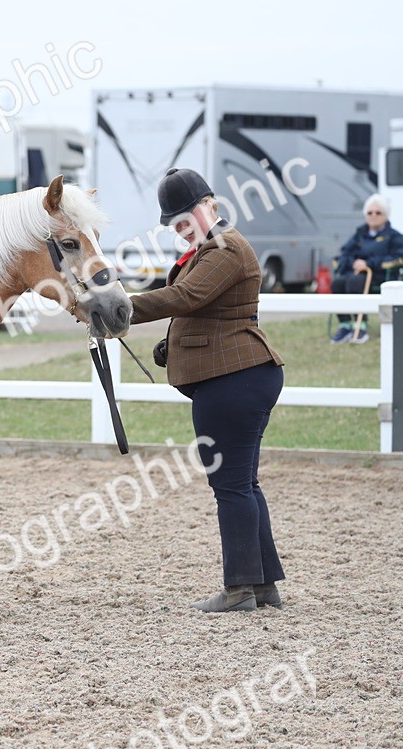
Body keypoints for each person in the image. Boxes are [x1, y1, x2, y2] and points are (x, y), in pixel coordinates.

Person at [129, 168, 287, 613]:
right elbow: (205, 311)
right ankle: (262, 585)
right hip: (239, 377)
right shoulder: (210, 248)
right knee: (243, 484)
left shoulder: (224, 248)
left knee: (231, 486)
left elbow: (185, 298)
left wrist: (118, 307)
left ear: (209, 205)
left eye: (185, 220)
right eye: (174, 225)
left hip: (235, 380)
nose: (181, 231)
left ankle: (238, 589)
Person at [329, 195, 403, 344]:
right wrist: (353, 263)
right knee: (338, 283)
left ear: (386, 215)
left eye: (378, 213)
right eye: (370, 213)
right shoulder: (360, 234)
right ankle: (345, 326)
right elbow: (345, 252)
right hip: (356, 273)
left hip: (379, 276)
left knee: (355, 282)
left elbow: (399, 257)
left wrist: (369, 263)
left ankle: (360, 326)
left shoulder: (393, 236)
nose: (373, 216)